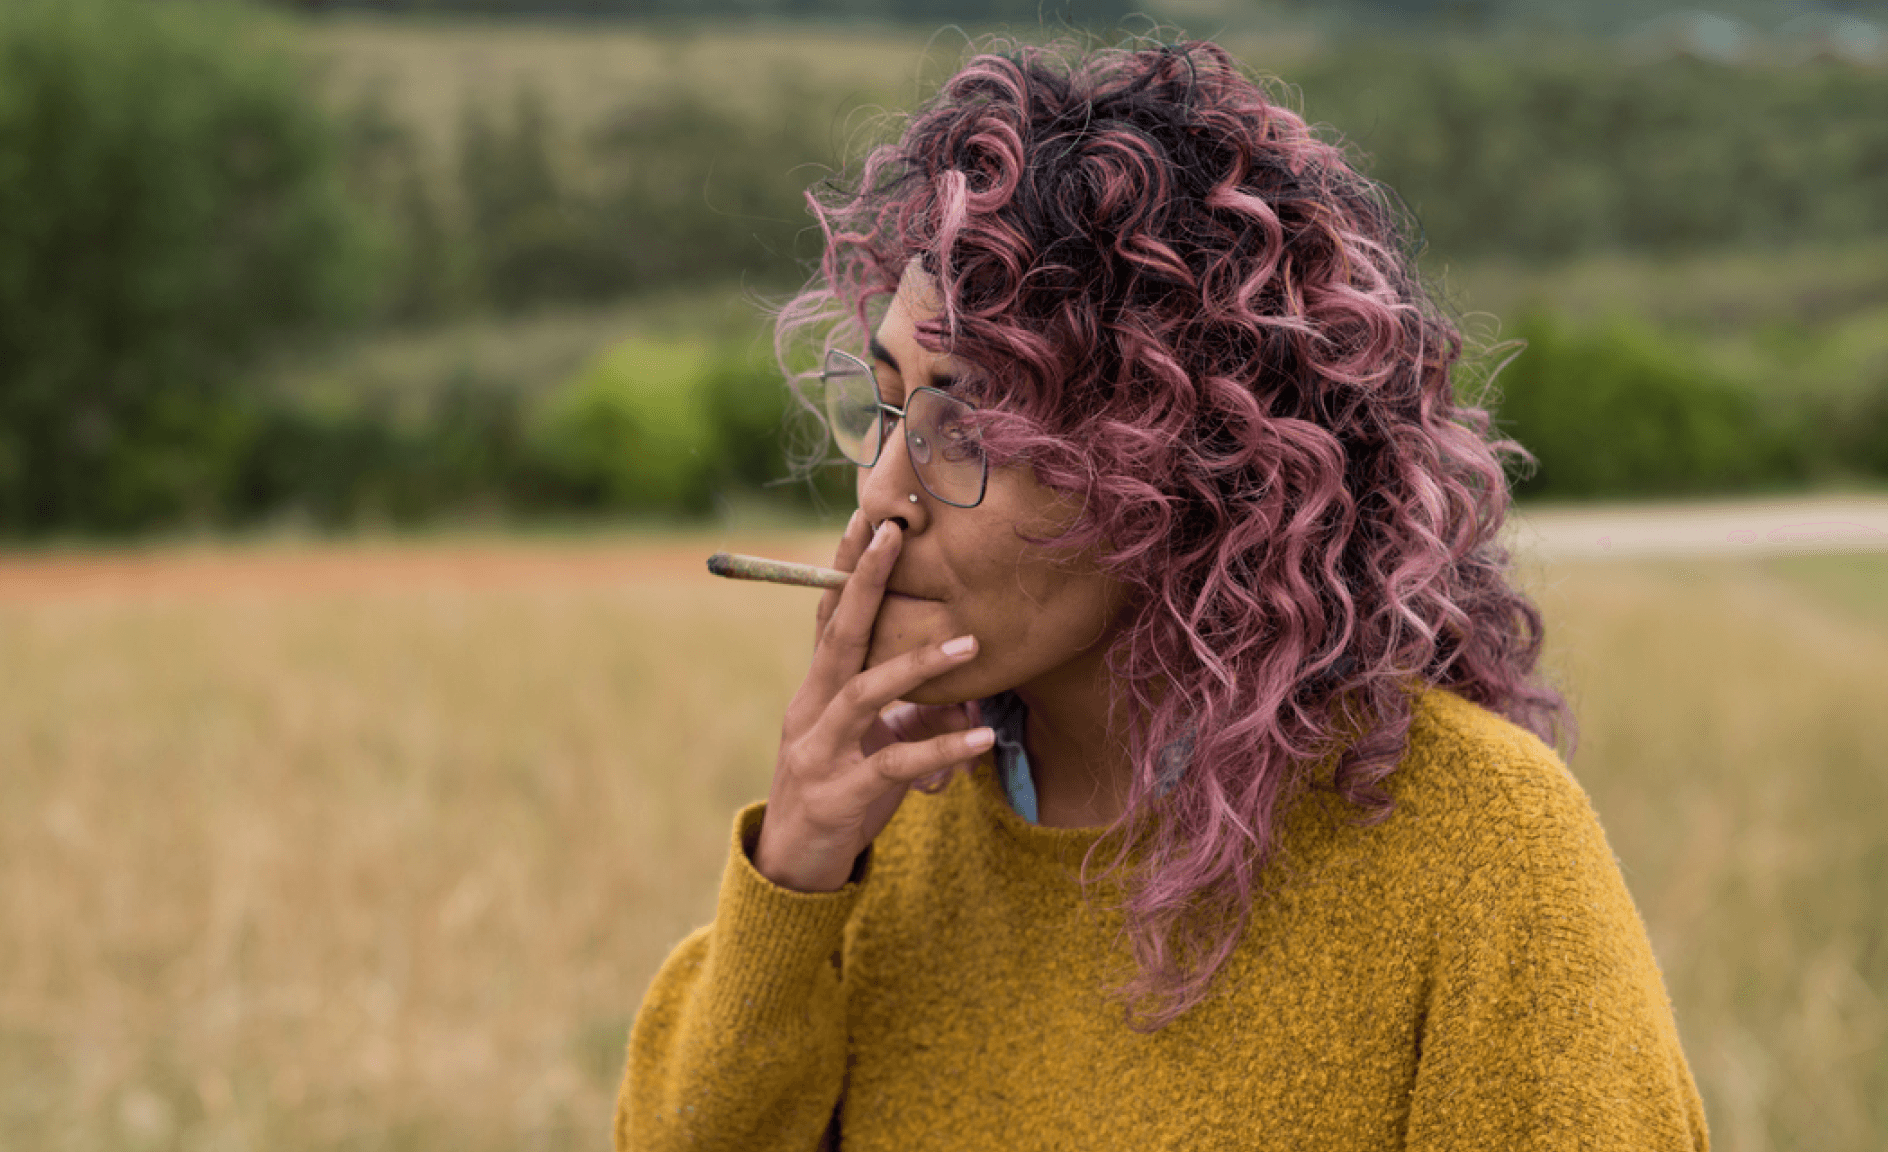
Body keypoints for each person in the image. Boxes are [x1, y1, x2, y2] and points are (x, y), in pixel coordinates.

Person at [616, 35, 1710, 1151]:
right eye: (890, 406)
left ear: (1186, 469)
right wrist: (795, 877)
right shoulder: (884, 824)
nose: (882, 494)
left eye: (973, 422)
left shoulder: (1482, 850)